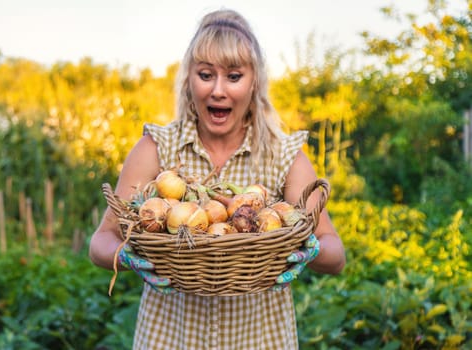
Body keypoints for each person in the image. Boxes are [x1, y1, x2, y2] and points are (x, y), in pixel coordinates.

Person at [89, 8, 345, 349]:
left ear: (254, 82)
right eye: (206, 75)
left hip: (259, 341)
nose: (218, 91)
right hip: (170, 340)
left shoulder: (282, 156)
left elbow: (335, 252)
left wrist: (308, 250)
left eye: (234, 76)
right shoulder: (158, 149)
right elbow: (101, 240)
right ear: (189, 79)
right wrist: (131, 258)